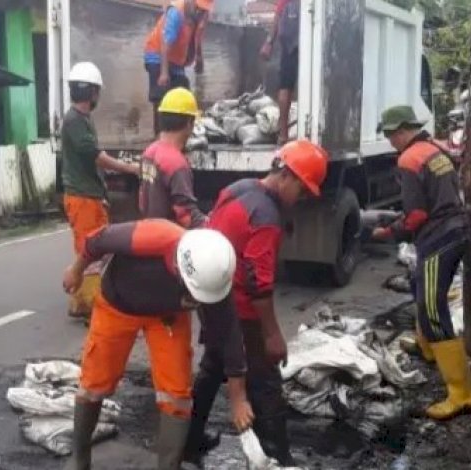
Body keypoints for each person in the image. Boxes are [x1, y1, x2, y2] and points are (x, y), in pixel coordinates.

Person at [61, 219, 254, 469]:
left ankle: (169, 466)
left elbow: (229, 333)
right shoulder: (152, 237)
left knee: (176, 394)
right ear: (181, 270)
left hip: (167, 316)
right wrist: (76, 269)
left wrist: (238, 398)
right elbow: (98, 240)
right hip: (117, 305)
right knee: (94, 382)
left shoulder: (214, 276)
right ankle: (80, 457)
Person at [184, 140, 328, 467]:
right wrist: (272, 335)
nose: (302, 198)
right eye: (303, 190)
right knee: (265, 382)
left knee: (213, 368)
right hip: (240, 310)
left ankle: (188, 440)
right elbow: (258, 284)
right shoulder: (266, 215)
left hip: (214, 298)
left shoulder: (239, 188)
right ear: (287, 174)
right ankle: (278, 457)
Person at [371, 105, 471, 421]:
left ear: (403, 131)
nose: (390, 141)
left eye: (391, 135)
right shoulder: (436, 148)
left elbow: (417, 215)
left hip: (438, 237)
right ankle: (426, 346)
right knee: (420, 282)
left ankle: (461, 394)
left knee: (432, 309)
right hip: (457, 227)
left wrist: (389, 232)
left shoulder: (408, 158)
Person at [60, 62, 140, 320]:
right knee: (91, 249)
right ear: (93, 92)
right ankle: (88, 305)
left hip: (89, 195)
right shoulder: (74, 121)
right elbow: (96, 156)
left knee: (94, 248)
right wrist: (128, 168)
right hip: (82, 197)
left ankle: (84, 302)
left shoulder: (82, 119)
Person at [139, 87, 208, 228]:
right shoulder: (176, 164)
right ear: (189, 122)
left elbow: (141, 200)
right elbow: (185, 216)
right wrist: (212, 224)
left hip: (150, 233)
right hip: (170, 241)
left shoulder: (149, 152)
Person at [144, 0, 213, 135]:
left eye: (204, 10)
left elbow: (197, 37)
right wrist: (164, 73)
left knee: (183, 93)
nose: (201, 12)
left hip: (176, 61)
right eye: (199, 9)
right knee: (160, 95)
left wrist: (199, 59)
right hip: (157, 55)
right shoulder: (176, 12)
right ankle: (158, 135)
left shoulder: (203, 14)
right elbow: (165, 43)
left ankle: (177, 135)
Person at [260, 0, 300, 145]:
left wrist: (269, 42)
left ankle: (283, 134)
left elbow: (278, 14)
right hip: (307, 28)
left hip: (288, 38)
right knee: (292, 85)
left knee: (286, 85)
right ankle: (288, 133)